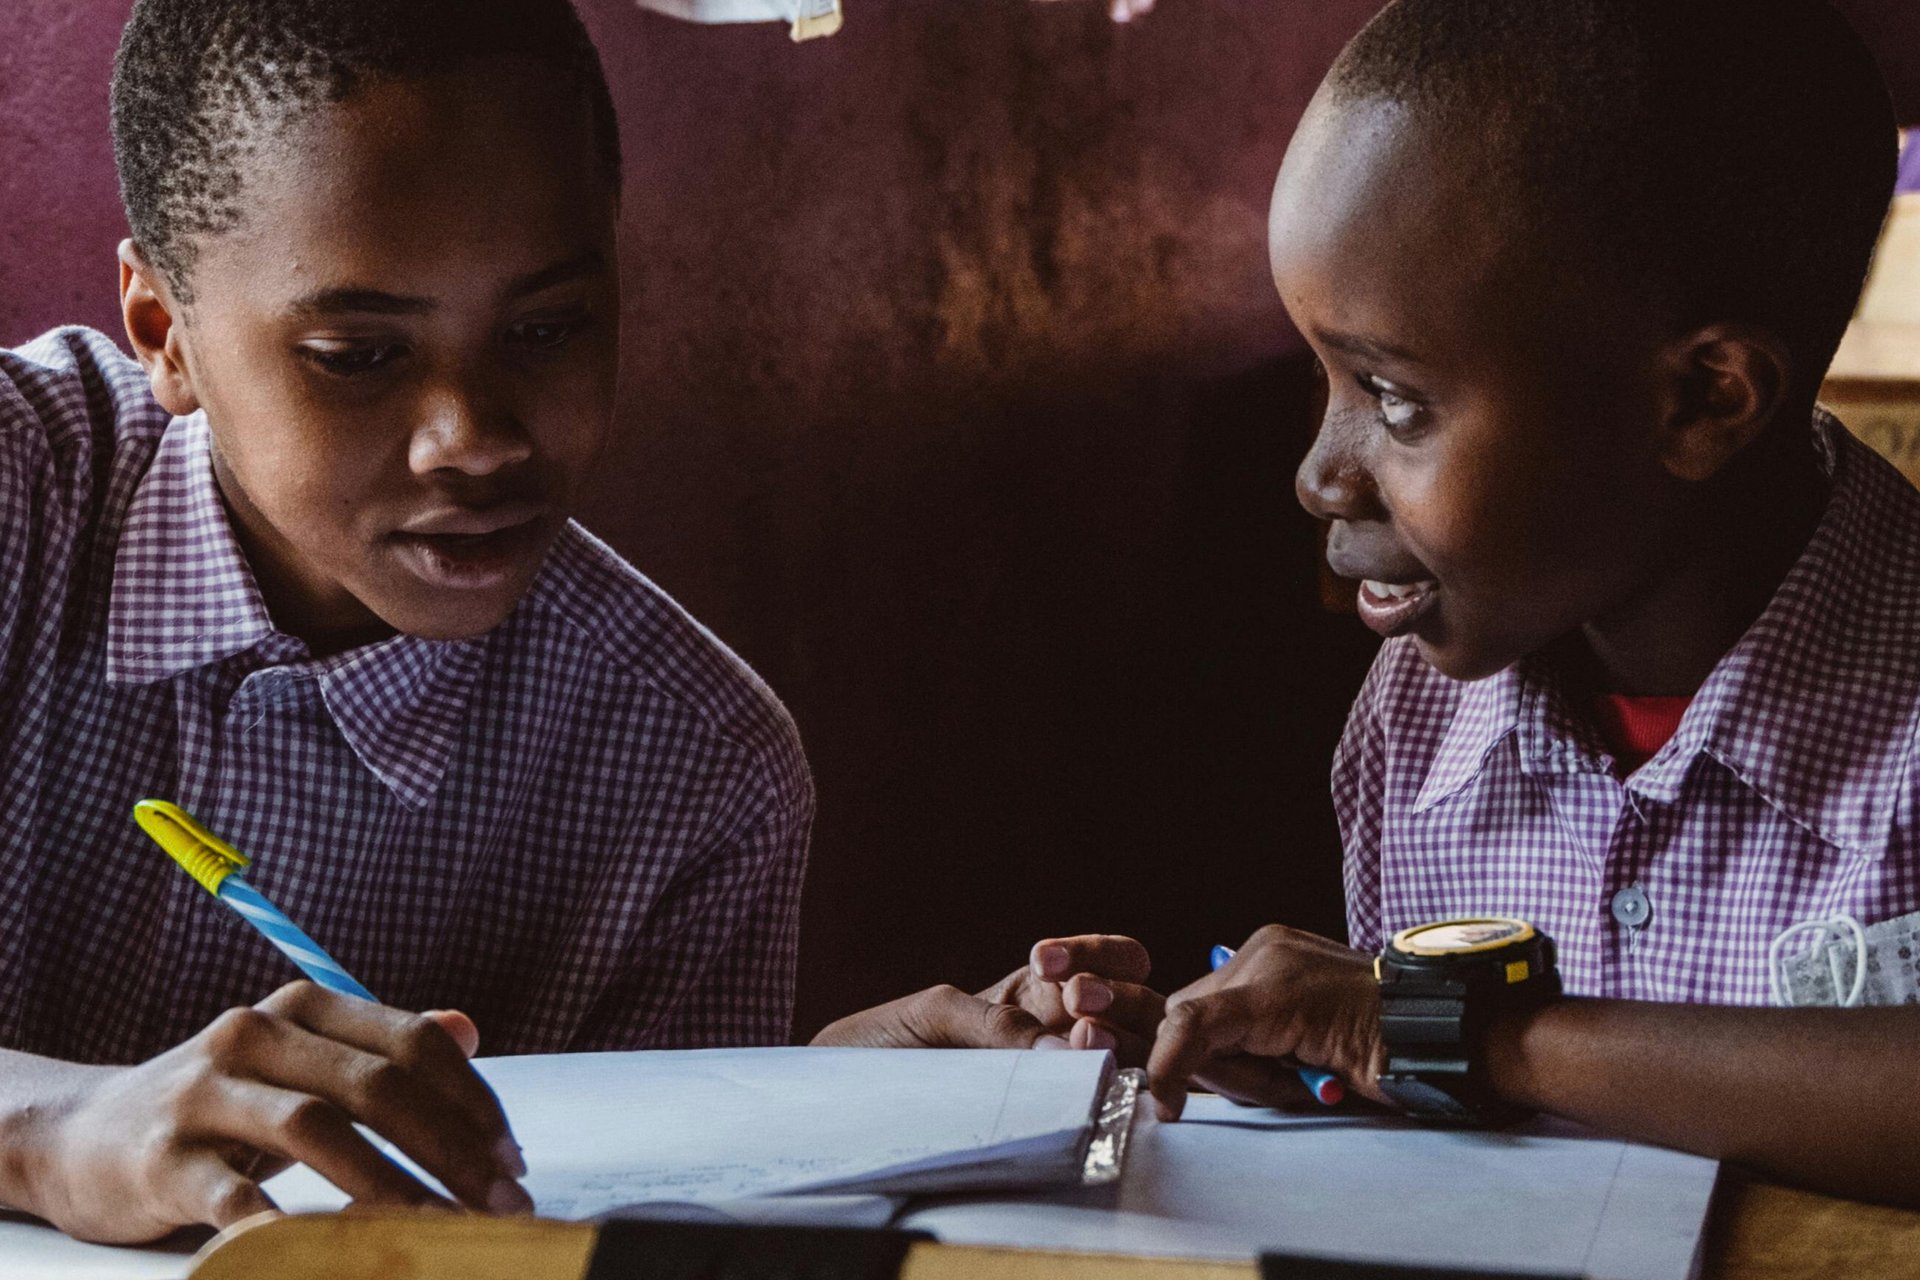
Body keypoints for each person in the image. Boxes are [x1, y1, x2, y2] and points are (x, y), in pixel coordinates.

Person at [837, 0, 1920, 1209]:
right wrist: (1287, 1054)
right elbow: (1457, 1133)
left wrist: (1442, 1025)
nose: (1318, 473)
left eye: (1394, 399)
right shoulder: (1424, 717)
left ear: (1704, 401)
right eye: (1326, 378)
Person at [0, 0, 811, 1242]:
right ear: (165, 333)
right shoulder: (21, 496)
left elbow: (625, 1233)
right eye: (356, 353)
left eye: (545, 328)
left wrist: (829, 1095)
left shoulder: (697, 773)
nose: (472, 437)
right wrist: (49, 1132)